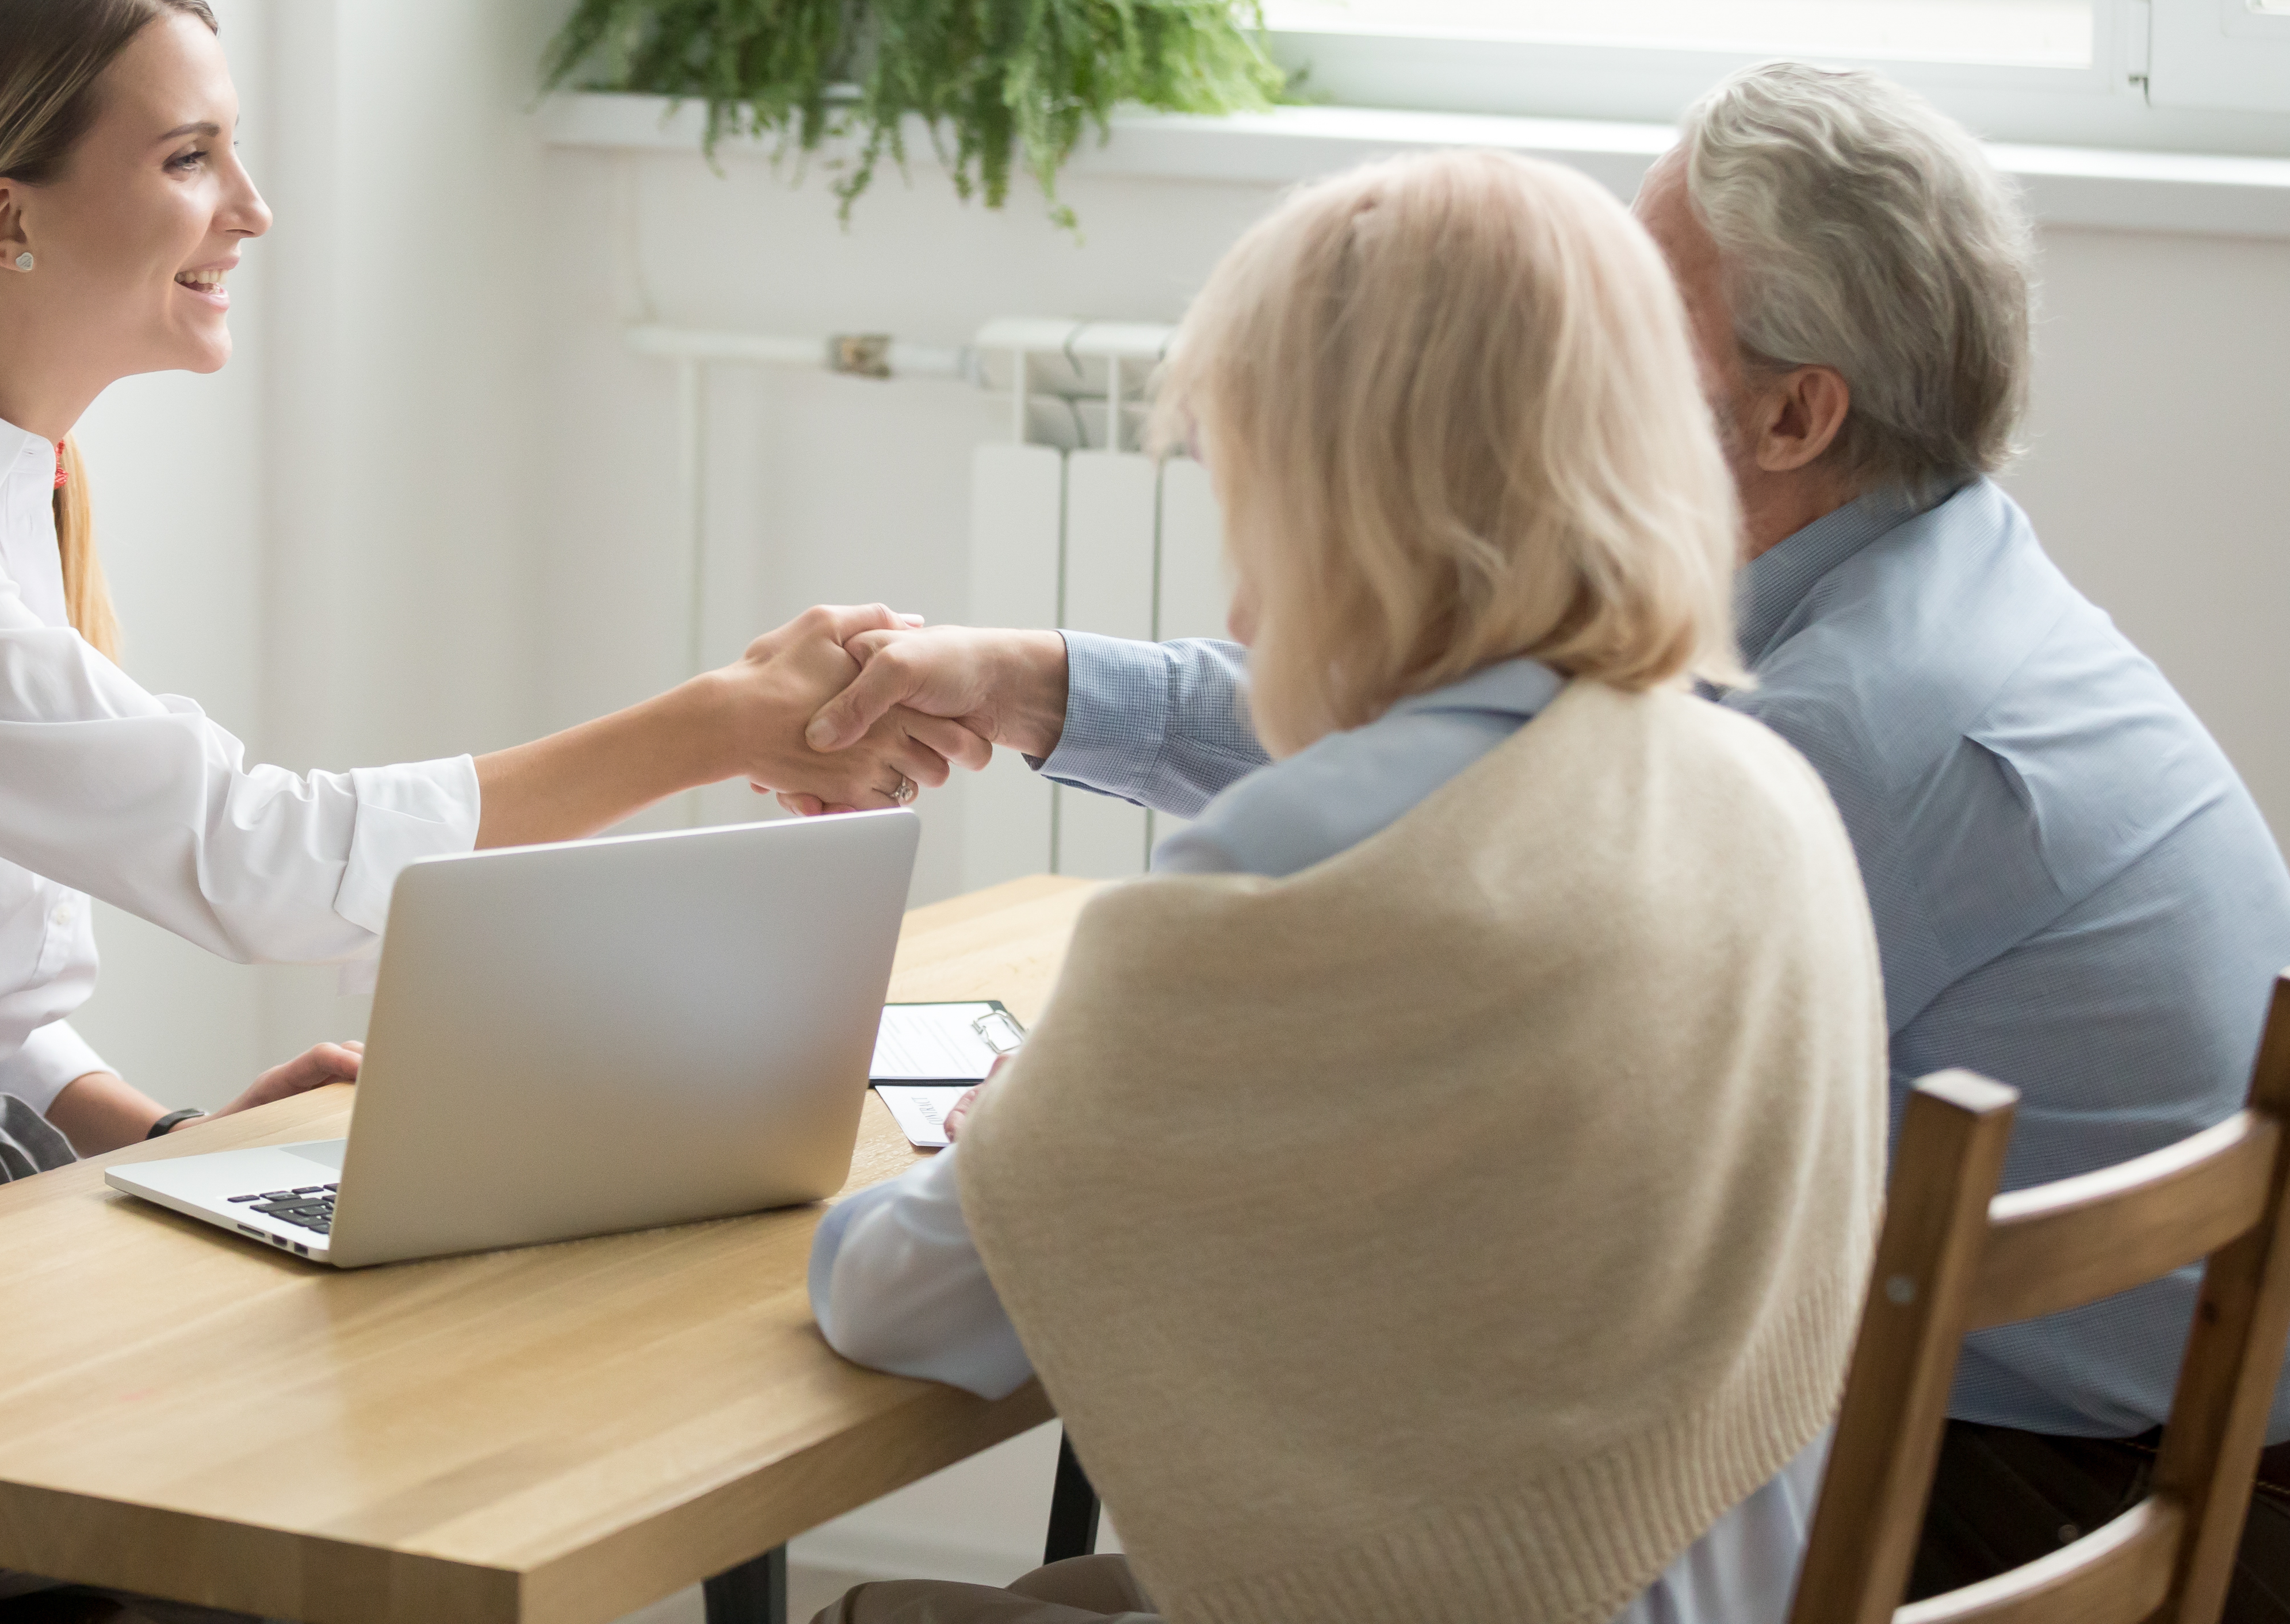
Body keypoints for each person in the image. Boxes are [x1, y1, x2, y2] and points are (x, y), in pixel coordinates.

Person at [0, 0, 975, 1624]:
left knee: (416, 1407)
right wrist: (713, 724)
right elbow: (257, 862)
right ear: (10, 219)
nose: (251, 209)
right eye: (190, 158)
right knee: (350, 1494)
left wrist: (167, 1135)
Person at [803, 62, 2290, 1614]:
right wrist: (1052, 689)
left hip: (2024, 1495)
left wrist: (1086, 1145)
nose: (1591, 356)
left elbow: (1446, 818)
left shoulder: (1819, 735)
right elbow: (1480, 758)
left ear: (1796, 412)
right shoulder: (1921, 620)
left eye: (1647, 317)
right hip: (2037, 1456)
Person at [806, 148, 1888, 1624]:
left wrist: (1010, 1147)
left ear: (1336, 497)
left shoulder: (1288, 879)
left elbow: (898, 1308)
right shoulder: (1761, 792)